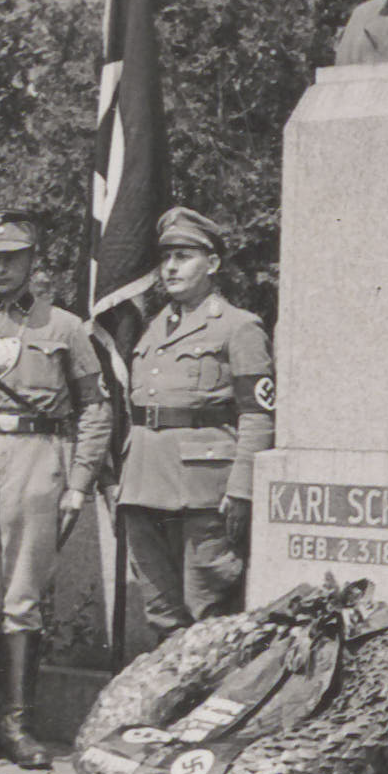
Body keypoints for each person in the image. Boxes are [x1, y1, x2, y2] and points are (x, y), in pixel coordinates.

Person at [0, 209, 112, 769]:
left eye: (12, 257)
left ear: (33, 260)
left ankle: (18, 727)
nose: (2, 267)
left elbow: (96, 407)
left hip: (38, 455)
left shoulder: (64, 326)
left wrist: (80, 482)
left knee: (23, 595)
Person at [119, 208, 275, 647]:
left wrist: (242, 487)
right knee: (161, 612)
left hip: (204, 492)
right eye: (166, 257)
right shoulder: (153, 329)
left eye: (183, 256)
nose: (170, 267)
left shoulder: (239, 327)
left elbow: (257, 414)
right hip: (145, 485)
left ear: (213, 263)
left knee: (208, 607)